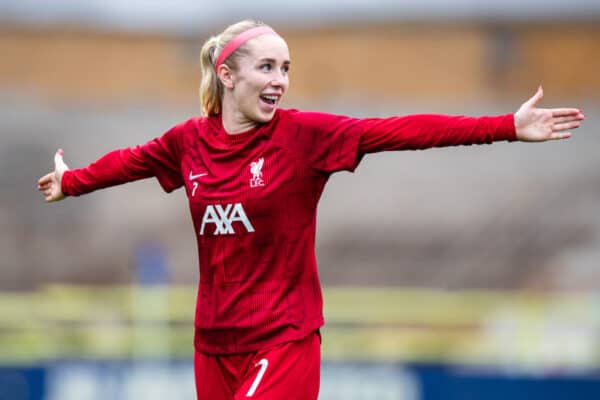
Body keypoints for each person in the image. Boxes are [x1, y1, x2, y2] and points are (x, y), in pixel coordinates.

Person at [37, 20, 584, 400]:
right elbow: (131, 161)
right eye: (267, 67)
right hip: (213, 342)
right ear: (227, 75)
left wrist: (504, 127)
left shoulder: (305, 136)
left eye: (286, 68)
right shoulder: (188, 142)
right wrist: (73, 182)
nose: (280, 80)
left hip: (284, 337)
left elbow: (398, 131)